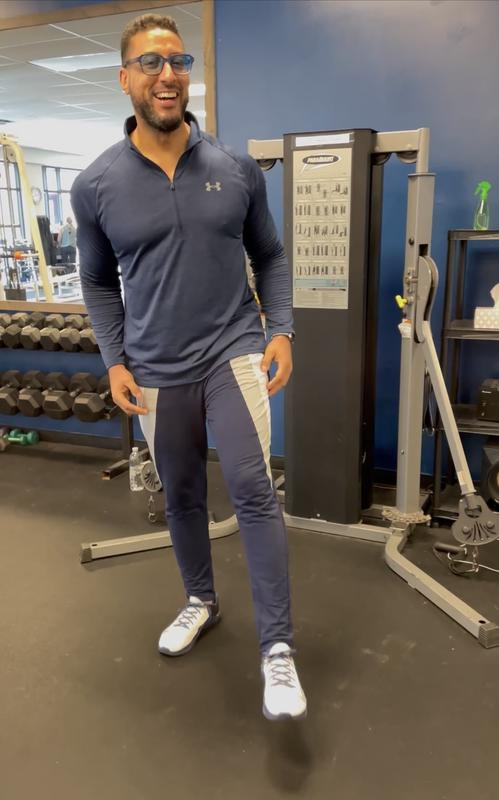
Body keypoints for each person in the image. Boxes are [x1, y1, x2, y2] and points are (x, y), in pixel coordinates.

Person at [71, 13, 306, 721]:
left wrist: (281, 329)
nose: (167, 74)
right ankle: (200, 600)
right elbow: (98, 282)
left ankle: (277, 649)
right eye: (150, 62)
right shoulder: (95, 185)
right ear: (126, 78)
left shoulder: (234, 169)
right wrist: (114, 359)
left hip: (231, 351)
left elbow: (270, 256)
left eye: (177, 61)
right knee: (180, 496)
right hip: (153, 368)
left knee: (252, 489)